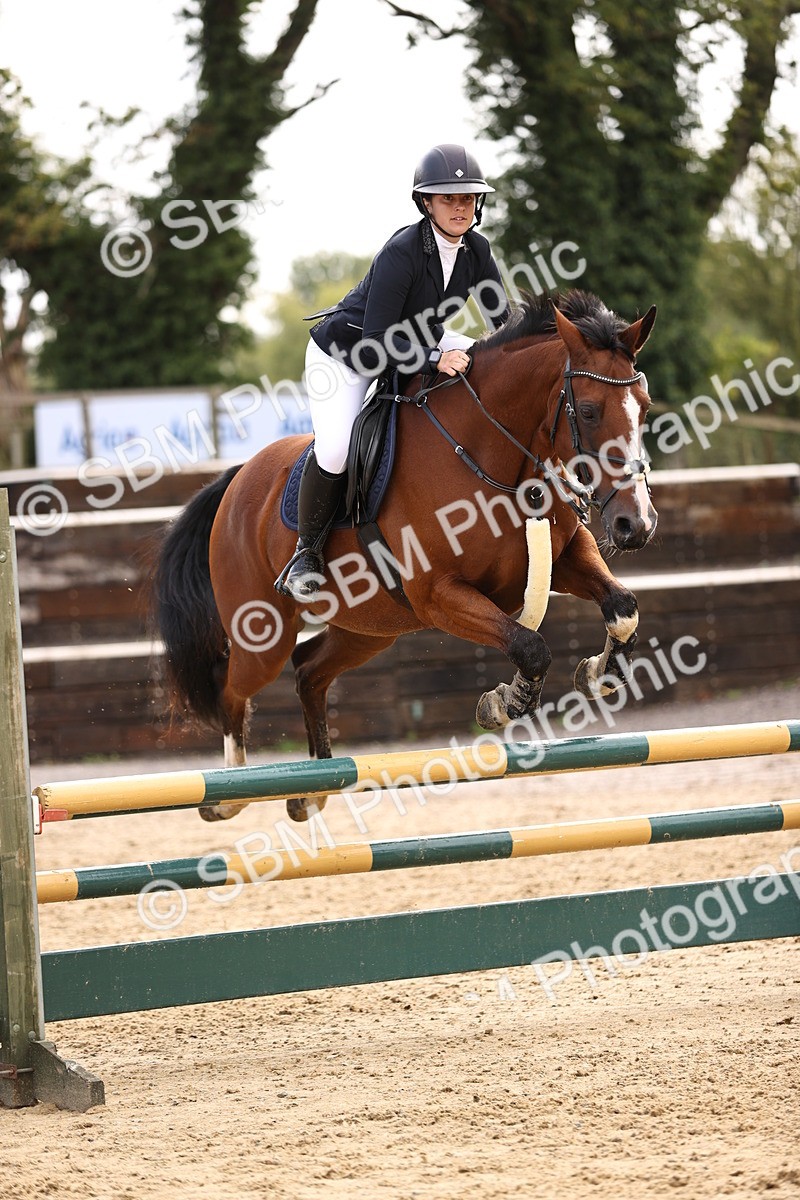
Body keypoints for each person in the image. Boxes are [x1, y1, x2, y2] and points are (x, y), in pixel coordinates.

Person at [275, 143, 511, 601]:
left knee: (490, 359)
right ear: (427, 203)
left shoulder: (477, 250)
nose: (459, 208)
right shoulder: (402, 251)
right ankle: (306, 553)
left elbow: (504, 326)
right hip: (348, 353)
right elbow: (377, 339)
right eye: (448, 199)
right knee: (338, 449)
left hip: (418, 340)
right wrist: (433, 360)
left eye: (467, 199)